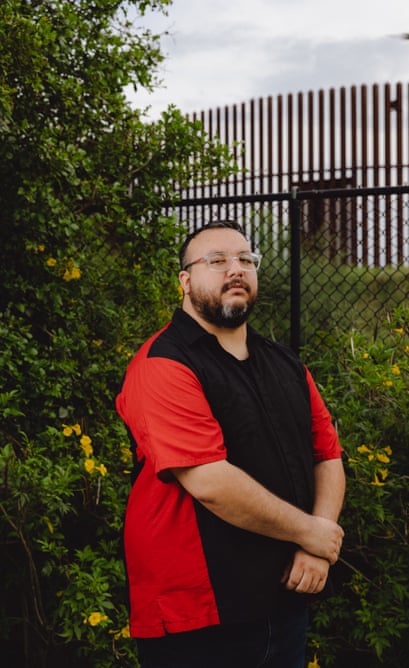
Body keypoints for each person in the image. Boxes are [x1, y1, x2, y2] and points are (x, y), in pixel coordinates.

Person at [116, 221, 345, 668]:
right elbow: (209, 481)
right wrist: (311, 533)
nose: (235, 269)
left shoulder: (285, 363)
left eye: (245, 260)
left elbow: (327, 454)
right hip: (198, 614)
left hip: (284, 596)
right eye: (216, 261)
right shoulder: (162, 363)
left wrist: (315, 547)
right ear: (185, 281)